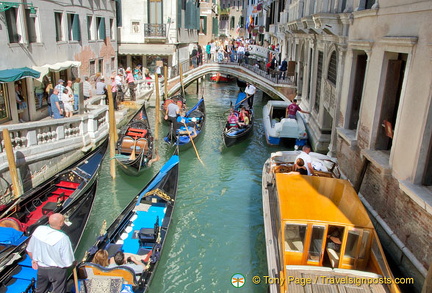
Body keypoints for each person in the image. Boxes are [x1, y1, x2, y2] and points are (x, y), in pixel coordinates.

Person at [27, 213, 75, 293]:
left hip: (42, 269)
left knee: (40, 291)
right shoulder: (63, 238)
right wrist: (74, 263)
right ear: (61, 223)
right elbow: (68, 263)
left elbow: (29, 250)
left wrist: (34, 259)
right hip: (57, 271)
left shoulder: (39, 230)